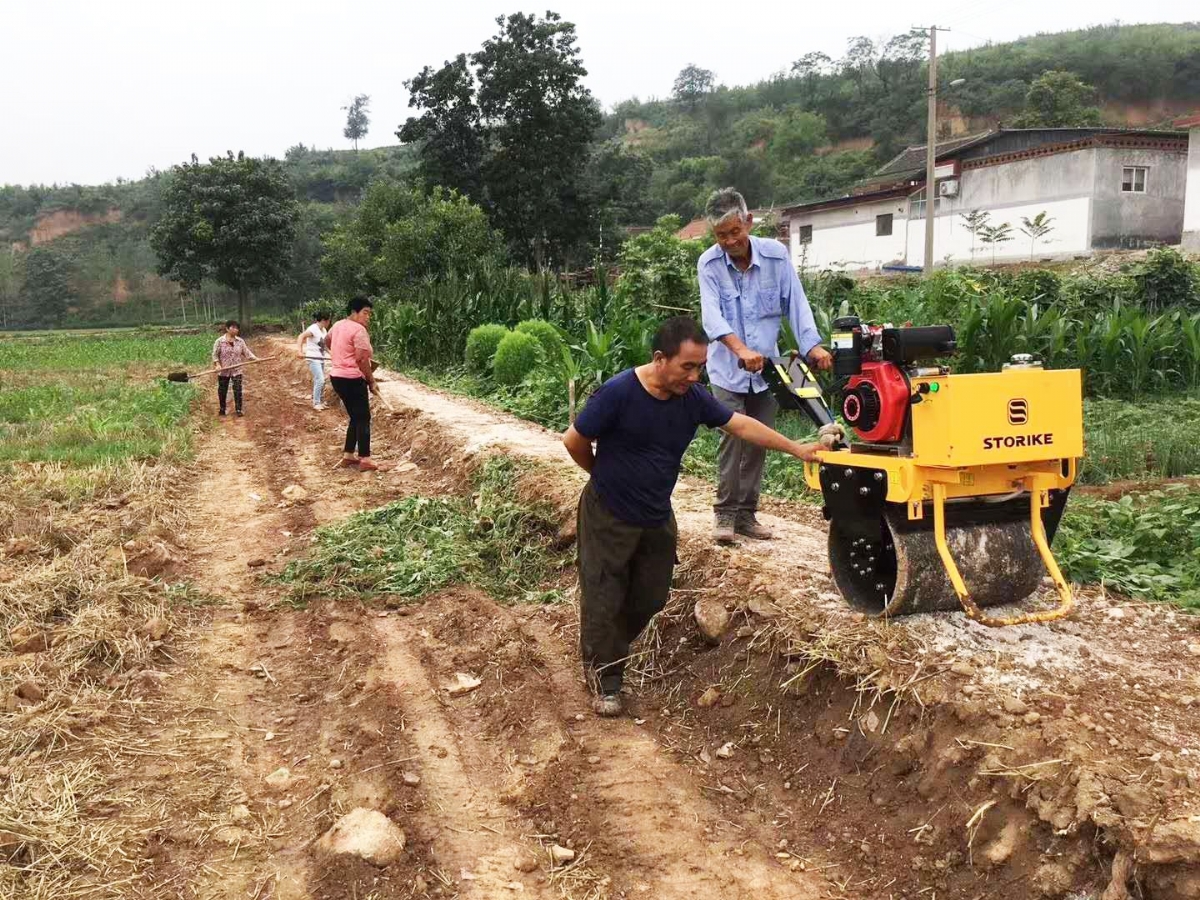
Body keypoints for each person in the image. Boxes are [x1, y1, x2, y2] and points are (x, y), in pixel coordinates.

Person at [562, 316, 830, 717]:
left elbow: (740, 424)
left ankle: (606, 649)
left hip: (655, 514)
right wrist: (601, 478)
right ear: (659, 359)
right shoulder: (618, 393)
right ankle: (606, 679)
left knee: (651, 596)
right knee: (603, 596)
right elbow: (574, 440)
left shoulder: (693, 398)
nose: (694, 374)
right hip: (608, 513)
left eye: (700, 365)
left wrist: (798, 448)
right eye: (687, 366)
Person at [698, 187, 834, 544]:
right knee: (732, 439)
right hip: (728, 371)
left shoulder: (776, 256)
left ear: (748, 222)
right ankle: (724, 515)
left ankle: (747, 516)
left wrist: (813, 345)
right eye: (721, 235)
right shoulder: (709, 264)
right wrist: (740, 350)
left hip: (768, 370)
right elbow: (712, 318)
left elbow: (796, 303)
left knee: (759, 441)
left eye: (734, 231)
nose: (729, 241)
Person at [327, 297, 380, 472]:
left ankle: (348, 454)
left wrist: (338, 355)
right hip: (352, 379)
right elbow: (361, 359)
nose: (368, 317)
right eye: (365, 312)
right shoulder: (359, 330)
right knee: (364, 418)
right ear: (354, 312)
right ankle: (365, 459)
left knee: (355, 416)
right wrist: (371, 381)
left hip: (337, 377)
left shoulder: (337, 325)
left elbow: (327, 341)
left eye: (369, 313)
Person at [212, 320, 258, 417]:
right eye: (233, 327)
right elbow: (215, 355)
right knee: (222, 390)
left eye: (237, 328)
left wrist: (255, 359)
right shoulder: (219, 341)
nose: (235, 330)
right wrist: (217, 365)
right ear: (227, 329)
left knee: (237, 389)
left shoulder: (240, 341)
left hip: (237, 369)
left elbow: (247, 352)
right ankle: (222, 409)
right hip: (223, 370)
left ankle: (238, 409)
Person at [297, 309, 332, 410]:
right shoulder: (313, 329)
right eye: (329, 320)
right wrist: (300, 351)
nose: (329, 323)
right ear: (324, 320)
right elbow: (301, 336)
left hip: (320, 358)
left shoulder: (323, 330)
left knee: (321, 380)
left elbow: (324, 345)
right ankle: (316, 403)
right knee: (320, 379)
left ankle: (320, 401)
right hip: (313, 358)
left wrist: (331, 353)